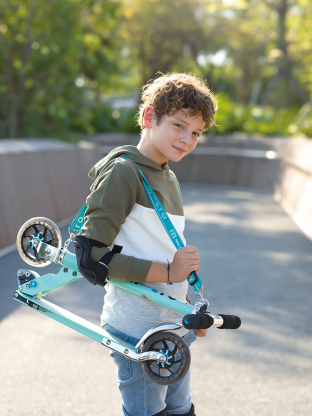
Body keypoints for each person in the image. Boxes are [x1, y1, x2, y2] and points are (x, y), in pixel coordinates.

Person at [81, 73, 217, 416]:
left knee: (181, 410)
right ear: (149, 117)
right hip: (137, 333)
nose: (187, 139)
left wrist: (188, 309)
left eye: (196, 133)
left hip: (171, 329)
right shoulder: (123, 173)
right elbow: (92, 257)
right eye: (178, 125)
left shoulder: (167, 176)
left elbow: (162, 249)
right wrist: (170, 271)